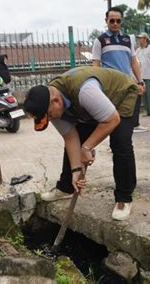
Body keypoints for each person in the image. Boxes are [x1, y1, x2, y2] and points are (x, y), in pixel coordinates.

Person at [23, 66, 139, 221]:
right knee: (78, 138)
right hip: (93, 105)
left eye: (49, 116)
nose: (50, 119)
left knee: (120, 142)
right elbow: (71, 137)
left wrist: (87, 147)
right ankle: (67, 187)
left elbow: (112, 119)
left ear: (56, 101)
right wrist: (76, 171)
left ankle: (124, 198)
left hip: (122, 94)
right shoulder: (51, 105)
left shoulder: (85, 92)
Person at [92, 6, 147, 133]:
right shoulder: (100, 41)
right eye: (112, 21)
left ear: (121, 21)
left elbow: (134, 62)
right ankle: (115, 145)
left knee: (127, 119)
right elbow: (95, 66)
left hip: (128, 85)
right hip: (111, 87)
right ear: (106, 21)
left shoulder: (127, 39)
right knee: (113, 119)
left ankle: (123, 144)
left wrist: (140, 81)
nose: (115, 24)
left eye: (118, 21)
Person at [136, 32, 150, 117]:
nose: (139, 40)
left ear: (145, 39)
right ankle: (147, 111)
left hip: (149, 74)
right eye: (138, 38)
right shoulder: (137, 50)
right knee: (143, 94)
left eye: (140, 38)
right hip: (140, 76)